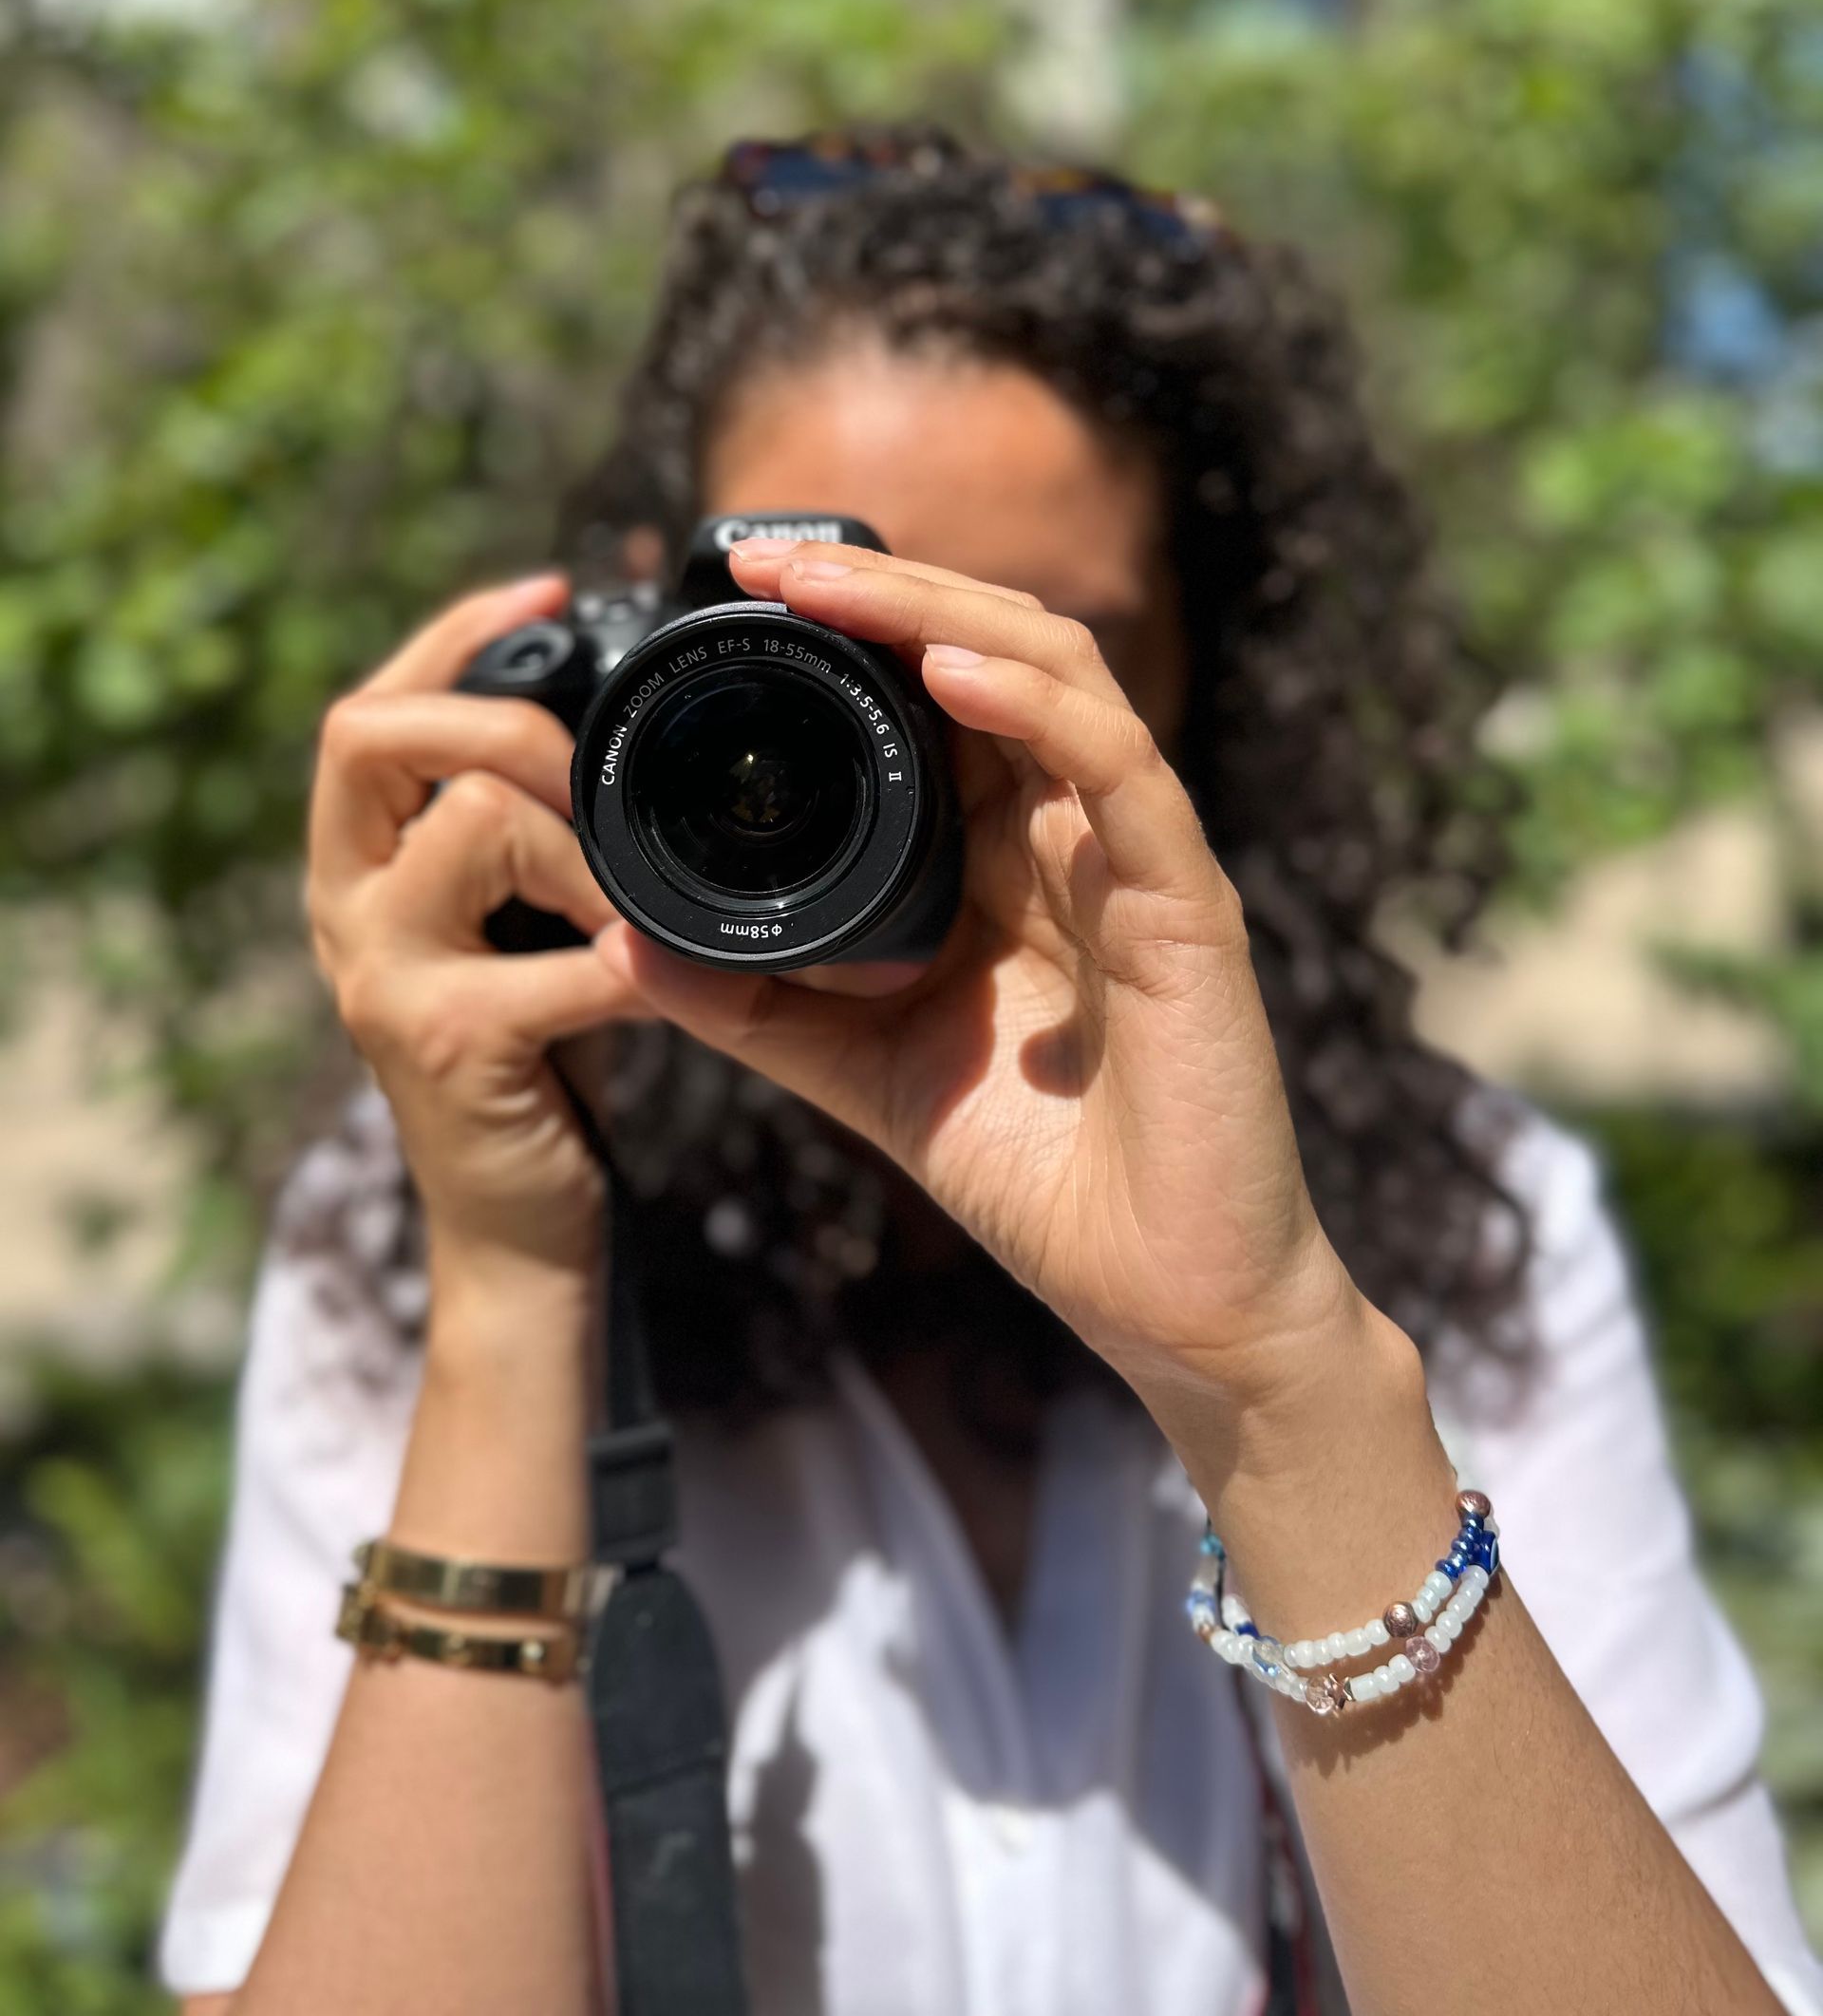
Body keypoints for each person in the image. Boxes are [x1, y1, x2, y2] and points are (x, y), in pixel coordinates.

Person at [161, 132, 1821, 2016]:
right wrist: (520, 1292)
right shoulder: (422, 1218)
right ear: (647, 641)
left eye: (1033, 649)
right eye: (817, 646)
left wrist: (1276, 1382)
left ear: (1200, 687)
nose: (905, 728)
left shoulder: (1460, 1229)